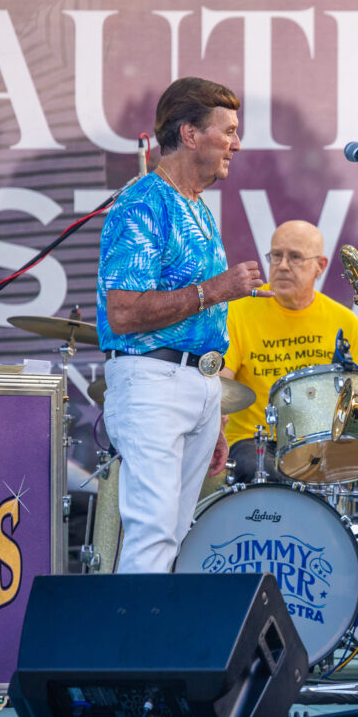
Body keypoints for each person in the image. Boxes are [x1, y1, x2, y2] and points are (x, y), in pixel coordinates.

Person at [97, 77, 269, 573]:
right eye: (229, 130)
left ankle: (151, 648)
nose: (236, 143)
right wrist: (216, 290)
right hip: (151, 382)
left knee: (172, 537)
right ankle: (134, 652)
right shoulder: (143, 201)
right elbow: (124, 312)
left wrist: (210, 408)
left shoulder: (195, 205)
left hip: (194, 386)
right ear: (190, 134)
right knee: (152, 535)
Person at [220, 220, 358, 483]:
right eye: (276, 255)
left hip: (320, 442)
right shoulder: (237, 311)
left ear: (320, 266)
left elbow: (352, 398)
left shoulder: (345, 322)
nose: (282, 265)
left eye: (295, 257)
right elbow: (220, 387)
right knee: (270, 474)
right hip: (254, 440)